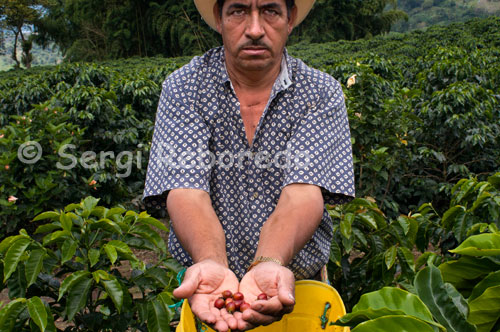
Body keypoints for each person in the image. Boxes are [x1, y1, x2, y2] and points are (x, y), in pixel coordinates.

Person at [143, 0, 355, 330]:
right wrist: (212, 261)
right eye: (239, 11)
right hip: (208, 292)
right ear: (219, 18)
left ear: (290, 18)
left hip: (294, 288)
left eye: (270, 10)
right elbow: (187, 191)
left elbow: (302, 194)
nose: (255, 29)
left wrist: (268, 262)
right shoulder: (184, 88)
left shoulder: (320, 92)